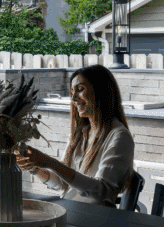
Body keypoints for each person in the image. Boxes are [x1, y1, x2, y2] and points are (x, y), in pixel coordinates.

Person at [15, 64, 134, 206]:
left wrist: (50, 162)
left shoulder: (119, 137)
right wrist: (35, 168)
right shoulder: (79, 134)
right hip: (71, 209)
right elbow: (62, 185)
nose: (74, 98)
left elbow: (101, 191)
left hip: (93, 218)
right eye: (72, 92)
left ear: (101, 91)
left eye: (80, 89)